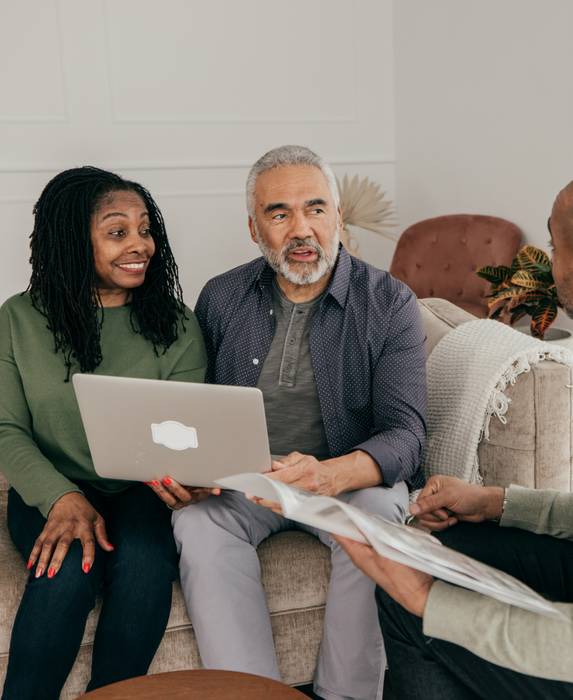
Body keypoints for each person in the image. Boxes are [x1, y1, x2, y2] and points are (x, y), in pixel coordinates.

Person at [337, 168, 573, 700]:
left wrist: (427, 601)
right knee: (445, 551)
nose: (549, 260)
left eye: (556, 247)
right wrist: (497, 503)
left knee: (415, 600)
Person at [151, 145, 427, 700]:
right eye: (279, 213)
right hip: (246, 482)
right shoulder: (222, 296)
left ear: (339, 219)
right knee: (197, 525)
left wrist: (332, 475)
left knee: (375, 519)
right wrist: (190, 469)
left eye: (316, 209)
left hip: (344, 484)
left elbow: (407, 435)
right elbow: (195, 409)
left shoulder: (390, 303)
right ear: (255, 228)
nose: (301, 229)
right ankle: (254, 694)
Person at [0, 167, 208, 700]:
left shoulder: (178, 325)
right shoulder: (17, 320)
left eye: (144, 228)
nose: (140, 244)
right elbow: (6, 428)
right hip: (53, 483)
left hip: (140, 488)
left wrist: (190, 479)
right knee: (66, 567)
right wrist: (61, 497)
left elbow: (185, 433)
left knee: (143, 562)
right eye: (118, 232)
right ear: (72, 240)